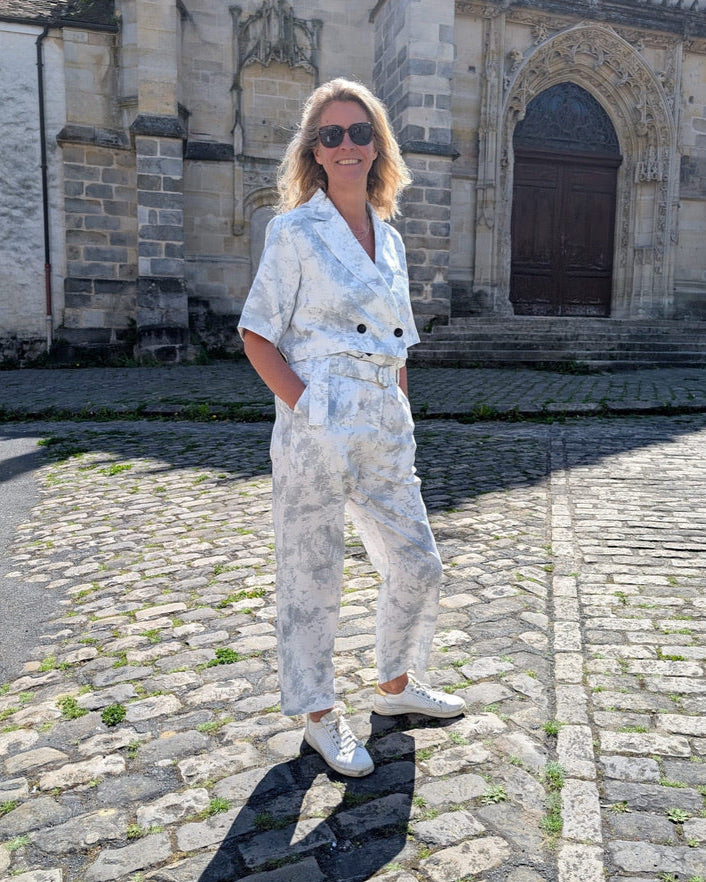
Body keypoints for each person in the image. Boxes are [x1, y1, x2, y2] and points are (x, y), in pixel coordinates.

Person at [238, 78, 465, 778]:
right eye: (331, 134)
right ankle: (316, 713)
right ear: (313, 149)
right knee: (311, 575)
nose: (346, 146)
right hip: (318, 424)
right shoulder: (294, 231)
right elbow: (257, 335)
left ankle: (395, 687)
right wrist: (309, 410)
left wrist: (402, 415)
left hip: (384, 423)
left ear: (378, 147)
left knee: (418, 561)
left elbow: (395, 345)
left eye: (359, 133)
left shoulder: (390, 240)